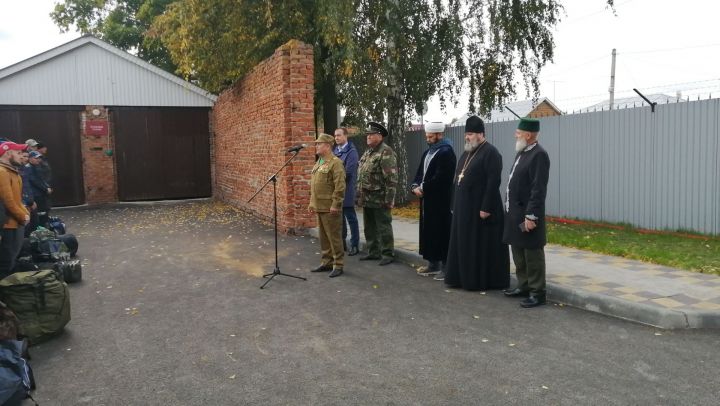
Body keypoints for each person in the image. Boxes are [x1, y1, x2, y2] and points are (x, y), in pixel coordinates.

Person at [443, 116, 510, 289]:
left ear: (481, 134)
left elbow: (493, 182)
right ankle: (460, 278)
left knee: (477, 246)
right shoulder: (467, 153)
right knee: (463, 244)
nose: (467, 137)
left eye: (471, 134)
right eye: (466, 134)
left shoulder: (491, 153)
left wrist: (486, 207)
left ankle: (477, 281)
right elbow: (458, 179)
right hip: (463, 209)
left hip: (480, 210)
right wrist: (453, 203)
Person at [503, 118, 551, 308]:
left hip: (527, 216)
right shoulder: (522, 152)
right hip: (515, 214)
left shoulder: (539, 155)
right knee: (518, 251)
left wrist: (531, 216)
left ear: (528, 135)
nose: (515, 134)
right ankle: (523, 286)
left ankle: (537, 292)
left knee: (532, 254)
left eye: (518, 132)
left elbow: (538, 189)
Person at [410, 122, 456, 277]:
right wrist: (414, 186)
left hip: (441, 201)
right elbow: (419, 173)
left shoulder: (446, 152)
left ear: (439, 135)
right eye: (427, 137)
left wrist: (423, 188)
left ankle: (445, 267)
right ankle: (432, 263)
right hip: (427, 200)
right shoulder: (428, 152)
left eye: (430, 137)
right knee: (429, 232)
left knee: (441, 232)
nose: (428, 139)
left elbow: (442, 178)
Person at [356, 122, 398, 266]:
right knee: (369, 226)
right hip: (367, 197)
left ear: (379, 136)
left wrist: (389, 199)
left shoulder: (386, 151)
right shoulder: (369, 152)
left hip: (380, 198)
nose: (368, 137)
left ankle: (387, 253)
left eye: (371, 134)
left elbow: (391, 178)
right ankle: (373, 252)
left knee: (383, 225)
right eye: (367, 134)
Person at [309, 133, 347, 278]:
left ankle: (338, 264)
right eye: (316, 143)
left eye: (319, 144)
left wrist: (336, 204)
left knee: (334, 237)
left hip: (331, 207)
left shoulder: (335, 162)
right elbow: (315, 185)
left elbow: (340, 185)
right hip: (319, 206)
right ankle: (327, 262)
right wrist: (312, 203)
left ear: (327, 146)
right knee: (324, 237)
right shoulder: (319, 162)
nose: (316, 146)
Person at [0, 142, 30, 278]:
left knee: (11, 260)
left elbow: (17, 199)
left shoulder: (12, 172)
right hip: (8, 224)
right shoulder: (2, 172)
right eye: (17, 153)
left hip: (15, 222)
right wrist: (22, 216)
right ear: (7, 153)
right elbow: (8, 201)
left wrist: (25, 213)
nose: (21, 156)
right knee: (6, 263)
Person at [333, 127, 360, 256]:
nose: (336, 138)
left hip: (347, 190)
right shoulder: (335, 150)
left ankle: (355, 245)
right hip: (337, 190)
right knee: (339, 219)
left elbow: (348, 173)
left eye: (339, 135)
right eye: (335, 136)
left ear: (346, 136)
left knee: (351, 219)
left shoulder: (351, 152)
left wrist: (334, 179)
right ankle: (342, 243)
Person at [27, 151, 51, 228]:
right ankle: (40, 229)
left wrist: (47, 186)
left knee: (44, 212)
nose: (38, 160)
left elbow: (41, 179)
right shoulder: (29, 168)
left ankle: (44, 227)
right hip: (36, 195)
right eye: (36, 158)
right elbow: (35, 181)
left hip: (41, 194)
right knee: (40, 213)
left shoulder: (37, 167)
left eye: (39, 158)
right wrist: (45, 189)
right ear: (30, 158)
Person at [19, 151, 38, 237]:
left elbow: (27, 187)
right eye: (24, 156)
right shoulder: (16, 170)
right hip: (23, 204)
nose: (26, 158)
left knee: (33, 225)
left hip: (29, 201)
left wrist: (31, 200)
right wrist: (25, 202)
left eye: (27, 156)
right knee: (25, 227)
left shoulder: (26, 169)